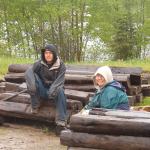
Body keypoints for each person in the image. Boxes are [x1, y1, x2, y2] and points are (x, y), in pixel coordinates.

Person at [25, 44, 67, 127]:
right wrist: (32, 86)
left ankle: (61, 120)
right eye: (46, 53)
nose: (48, 55)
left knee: (61, 90)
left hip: (54, 92)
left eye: (50, 53)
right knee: (33, 76)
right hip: (42, 89)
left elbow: (60, 81)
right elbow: (28, 72)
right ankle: (35, 105)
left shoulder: (61, 66)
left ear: (54, 54)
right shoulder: (39, 63)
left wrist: (52, 90)